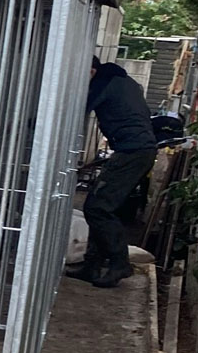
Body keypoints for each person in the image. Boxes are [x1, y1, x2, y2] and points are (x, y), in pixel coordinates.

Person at [67, 55, 157, 288]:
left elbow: (75, 113)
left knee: (98, 208)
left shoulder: (104, 83)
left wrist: (35, 123)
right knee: (98, 207)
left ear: (91, 70)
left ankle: (120, 263)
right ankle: (92, 266)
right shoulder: (121, 80)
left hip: (132, 153)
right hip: (136, 151)